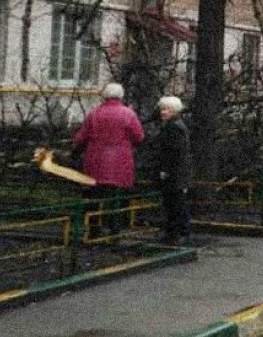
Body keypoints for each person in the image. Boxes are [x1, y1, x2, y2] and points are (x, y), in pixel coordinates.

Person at [72, 82, 145, 236]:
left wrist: (74, 152)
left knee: (93, 196)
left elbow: (81, 138)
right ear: (121, 96)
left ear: (104, 96)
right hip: (120, 162)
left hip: (95, 161)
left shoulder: (94, 113)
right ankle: (114, 230)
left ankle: (93, 229)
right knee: (115, 198)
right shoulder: (128, 114)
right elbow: (139, 137)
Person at [146, 96, 192, 245]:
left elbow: (173, 152)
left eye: (167, 110)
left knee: (175, 203)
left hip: (173, 173)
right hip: (177, 172)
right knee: (174, 203)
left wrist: (165, 170)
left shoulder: (173, 128)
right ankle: (175, 232)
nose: (163, 112)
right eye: (162, 109)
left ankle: (177, 233)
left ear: (175, 111)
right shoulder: (176, 125)